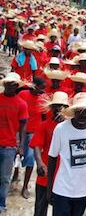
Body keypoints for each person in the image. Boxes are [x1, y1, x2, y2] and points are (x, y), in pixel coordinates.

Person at [47, 92, 86, 216]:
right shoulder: (61, 129)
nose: (83, 114)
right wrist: (49, 187)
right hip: (62, 188)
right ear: (74, 111)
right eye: (79, 111)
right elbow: (52, 158)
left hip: (83, 189)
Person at [30, 91, 68, 216]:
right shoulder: (44, 125)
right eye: (56, 105)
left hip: (64, 174)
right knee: (40, 207)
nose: (59, 109)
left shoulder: (70, 127)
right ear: (51, 107)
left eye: (62, 106)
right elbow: (36, 145)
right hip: (46, 171)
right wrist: (40, 163)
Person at [0, 73, 28, 213]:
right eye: (7, 84)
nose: (8, 87)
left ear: (16, 86)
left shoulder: (21, 104)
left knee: (5, 177)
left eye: (12, 84)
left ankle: (1, 203)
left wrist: (21, 146)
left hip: (10, 145)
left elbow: (23, 126)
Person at [17, 76, 47, 199]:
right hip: (19, 130)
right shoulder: (23, 94)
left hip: (34, 131)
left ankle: (24, 185)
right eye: (41, 88)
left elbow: (44, 117)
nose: (43, 91)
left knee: (30, 158)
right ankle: (15, 174)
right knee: (16, 155)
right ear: (34, 86)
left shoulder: (43, 99)